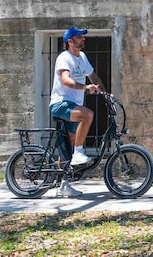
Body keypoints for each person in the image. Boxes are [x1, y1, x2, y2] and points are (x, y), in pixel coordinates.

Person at [49, 27, 105, 196]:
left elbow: (93, 77)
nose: (83, 39)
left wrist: (105, 93)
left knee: (68, 147)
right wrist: (86, 88)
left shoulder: (82, 57)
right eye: (79, 37)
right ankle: (80, 153)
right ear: (70, 41)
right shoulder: (64, 58)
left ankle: (63, 184)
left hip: (72, 105)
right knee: (88, 114)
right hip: (60, 104)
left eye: (83, 37)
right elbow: (66, 80)